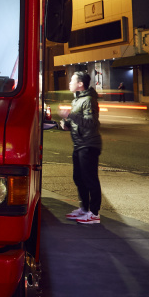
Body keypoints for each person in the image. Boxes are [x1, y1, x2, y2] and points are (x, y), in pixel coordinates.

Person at [59, 71, 103, 225]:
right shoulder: (77, 100)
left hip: (89, 144)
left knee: (90, 179)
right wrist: (66, 124)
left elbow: (91, 123)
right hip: (79, 144)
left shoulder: (89, 100)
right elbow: (78, 123)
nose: (69, 83)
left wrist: (71, 115)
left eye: (72, 80)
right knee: (78, 178)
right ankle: (84, 209)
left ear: (80, 84)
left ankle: (94, 213)